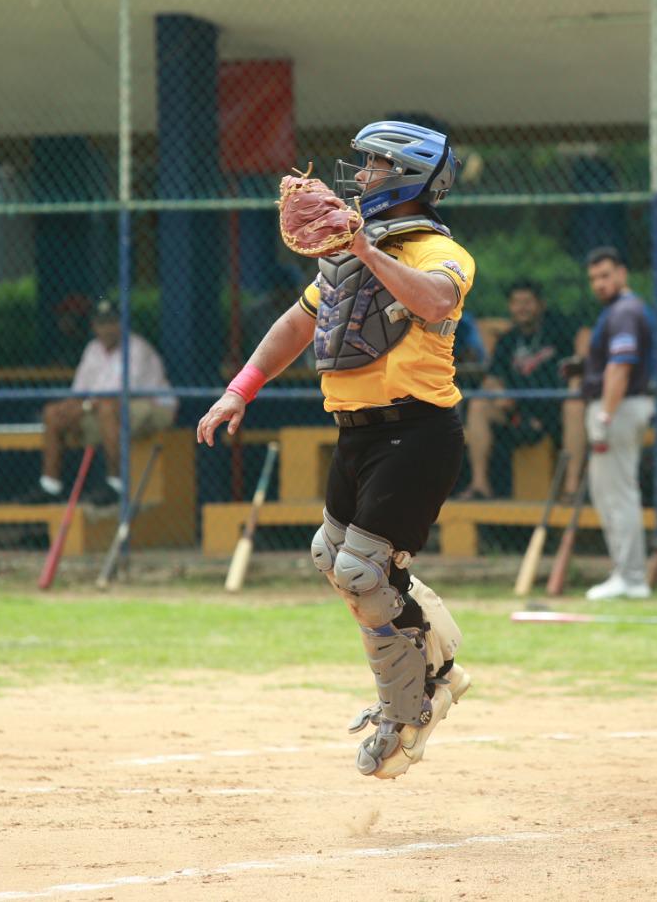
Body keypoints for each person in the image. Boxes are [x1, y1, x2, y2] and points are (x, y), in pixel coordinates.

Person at [198, 120, 473, 781]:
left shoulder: (441, 250)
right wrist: (241, 390)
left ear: (409, 177)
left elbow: (435, 298)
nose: (362, 177)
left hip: (418, 430)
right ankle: (438, 666)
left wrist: (366, 249)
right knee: (333, 557)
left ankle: (409, 710)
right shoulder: (351, 253)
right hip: (358, 431)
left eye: (377, 166)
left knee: (361, 571)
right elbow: (298, 323)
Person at [20, 298, 176, 509]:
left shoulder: (137, 348)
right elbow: (79, 392)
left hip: (153, 408)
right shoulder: (92, 350)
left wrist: (83, 407)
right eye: (101, 323)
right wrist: (69, 409)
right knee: (52, 413)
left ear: (122, 324)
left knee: (106, 409)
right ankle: (50, 486)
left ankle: (116, 484)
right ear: (94, 326)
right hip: (106, 411)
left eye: (112, 322)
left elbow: (119, 395)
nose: (107, 329)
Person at [578, 247, 657, 600]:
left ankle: (632, 577)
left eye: (606, 275)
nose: (600, 283)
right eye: (594, 278)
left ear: (622, 273)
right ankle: (625, 573)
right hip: (620, 405)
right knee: (610, 494)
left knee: (619, 495)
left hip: (619, 408)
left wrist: (604, 415)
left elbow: (621, 366)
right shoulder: (617, 311)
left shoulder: (624, 310)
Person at [457, 280, 572, 501]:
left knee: (572, 406)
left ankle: (570, 489)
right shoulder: (508, 340)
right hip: (516, 411)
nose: (522, 308)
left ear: (540, 304)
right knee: (480, 405)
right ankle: (480, 485)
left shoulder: (557, 333)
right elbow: (491, 377)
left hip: (553, 410)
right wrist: (499, 393)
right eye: (516, 302)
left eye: (528, 302)